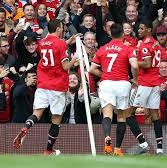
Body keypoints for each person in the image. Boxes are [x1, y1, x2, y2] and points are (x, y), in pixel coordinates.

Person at [13, 19, 77, 155]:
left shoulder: (42, 43)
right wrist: (74, 59)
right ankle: (48, 150)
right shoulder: (60, 44)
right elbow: (65, 66)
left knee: (37, 113)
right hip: (57, 86)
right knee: (56, 119)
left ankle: (26, 127)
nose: (63, 29)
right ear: (58, 29)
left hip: (42, 85)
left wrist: (66, 42)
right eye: (62, 28)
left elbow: (52, 49)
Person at [89, 23, 139, 156]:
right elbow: (134, 66)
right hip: (123, 83)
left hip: (107, 84)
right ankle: (117, 148)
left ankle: (107, 136)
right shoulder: (128, 48)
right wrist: (135, 79)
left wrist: (104, 75)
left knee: (107, 114)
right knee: (122, 116)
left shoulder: (102, 49)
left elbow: (92, 69)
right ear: (123, 34)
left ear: (110, 34)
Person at [128, 20, 167, 154]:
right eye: (138, 28)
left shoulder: (145, 45)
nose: (139, 30)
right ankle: (160, 149)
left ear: (149, 30)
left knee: (128, 114)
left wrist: (134, 60)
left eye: (141, 28)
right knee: (155, 115)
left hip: (145, 83)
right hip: (155, 82)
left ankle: (143, 143)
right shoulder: (155, 43)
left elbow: (147, 63)